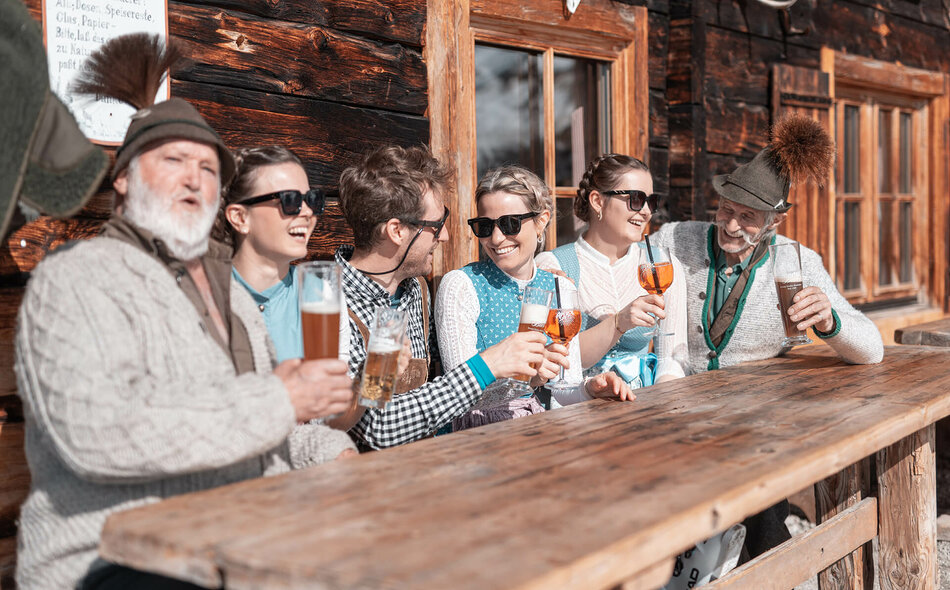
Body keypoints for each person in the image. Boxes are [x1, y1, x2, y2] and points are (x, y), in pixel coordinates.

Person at [14, 35, 357, 590]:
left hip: (236, 535)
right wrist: (280, 398)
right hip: (110, 557)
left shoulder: (230, 292)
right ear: (123, 179)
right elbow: (100, 435)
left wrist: (333, 452)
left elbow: (264, 425)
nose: (196, 176)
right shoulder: (77, 279)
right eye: (174, 160)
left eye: (208, 167)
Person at [650, 114, 884, 560]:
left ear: (774, 221)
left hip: (754, 422)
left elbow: (871, 348)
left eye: (748, 218)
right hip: (677, 412)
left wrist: (830, 321)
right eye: (726, 210)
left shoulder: (799, 260)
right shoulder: (673, 239)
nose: (732, 226)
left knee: (759, 522)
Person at [337, 145, 550, 450]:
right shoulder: (333, 304)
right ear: (396, 231)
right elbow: (377, 427)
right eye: (436, 225)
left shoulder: (414, 290)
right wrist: (486, 365)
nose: (446, 236)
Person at [435, 165, 634, 430]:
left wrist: (589, 388)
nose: (496, 238)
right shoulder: (461, 285)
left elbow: (565, 388)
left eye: (510, 224)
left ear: (541, 221)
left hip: (536, 427)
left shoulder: (560, 286)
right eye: (485, 226)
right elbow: (457, 396)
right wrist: (527, 381)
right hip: (477, 433)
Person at [535, 154, 688, 388]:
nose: (647, 211)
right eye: (636, 199)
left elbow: (671, 358)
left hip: (644, 402)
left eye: (651, 201)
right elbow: (559, 363)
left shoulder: (663, 266)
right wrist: (619, 322)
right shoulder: (552, 266)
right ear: (597, 201)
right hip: (575, 404)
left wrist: (664, 404)